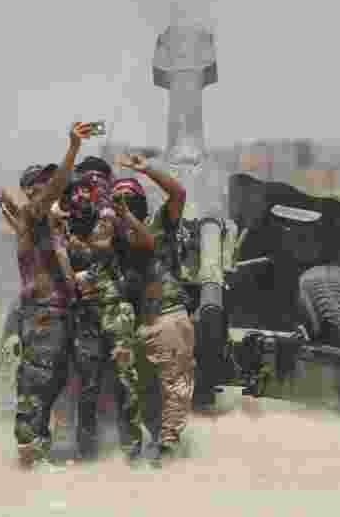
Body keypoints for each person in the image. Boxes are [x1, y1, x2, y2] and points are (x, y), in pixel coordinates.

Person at [0, 121, 94, 468]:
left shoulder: (45, 226)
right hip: (43, 315)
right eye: (42, 185)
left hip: (57, 315)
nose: (52, 191)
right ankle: (28, 459)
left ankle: (37, 453)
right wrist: (73, 149)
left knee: (51, 384)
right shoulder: (34, 214)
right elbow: (51, 193)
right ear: (32, 192)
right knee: (36, 386)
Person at [114, 152, 194, 467]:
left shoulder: (159, 225)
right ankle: (153, 447)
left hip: (167, 318)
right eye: (117, 199)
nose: (122, 204)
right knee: (144, 396)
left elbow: (178, 193)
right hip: (139, 327)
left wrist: (147, 169)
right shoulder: (114, 240)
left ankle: (169, 452)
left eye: (128, 198)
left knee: (174, 390)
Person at [63, 173, 148, 465]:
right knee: (88, 384)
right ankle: (86, 451)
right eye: (76, 192)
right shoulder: (66, 225)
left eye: (87, 190)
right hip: (86, 315)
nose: (82, 196)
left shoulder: (109, 218)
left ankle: (132, 450)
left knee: (126, 381)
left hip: (115, 310)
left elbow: (106, 245)